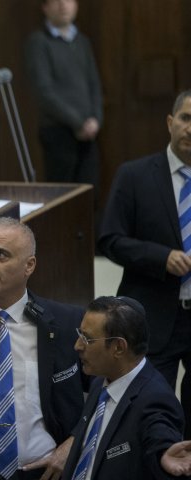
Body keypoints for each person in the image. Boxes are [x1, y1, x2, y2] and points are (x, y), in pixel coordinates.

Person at [97, 89, 191, 439]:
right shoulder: (134, 175)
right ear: (170, 122)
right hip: (154, 314)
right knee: (153, 415)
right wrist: (160, 257)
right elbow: (109, 239)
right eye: (186, 118)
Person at [0, 217, 87, 479]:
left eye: (0, 255)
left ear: (29, 266)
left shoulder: (66, 323)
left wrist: (74, 443)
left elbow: (107, 389)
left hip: (43, 471)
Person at [63, 296, 190, 479]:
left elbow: (159, 437)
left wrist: (163, 455)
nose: (77, 345)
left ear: (118, 348)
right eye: (79, 334)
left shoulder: (156, 399)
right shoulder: (100, 381)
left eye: (87, 339)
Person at [23, 0, 103, 186]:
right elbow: (44, 92)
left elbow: (95, 85)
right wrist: (79, 123)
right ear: (45, 7)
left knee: (90, 195)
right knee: (63, 198)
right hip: (58, 133)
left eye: (67, 0)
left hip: (89, 133)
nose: (62, 5)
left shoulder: (82, 41)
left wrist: (96, 120)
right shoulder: (39, 42)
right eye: (56, 1)